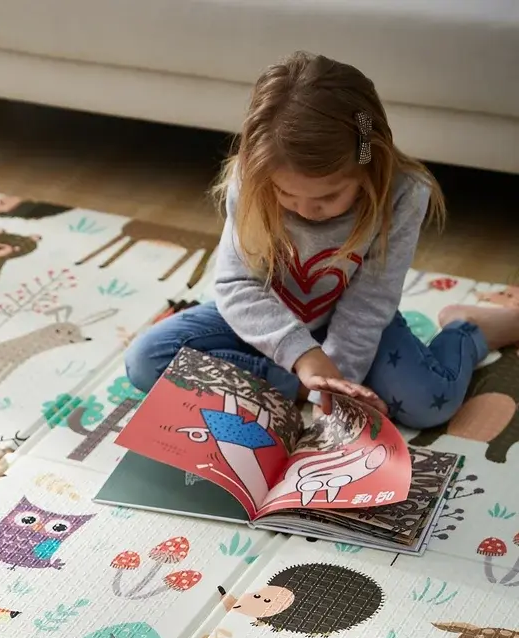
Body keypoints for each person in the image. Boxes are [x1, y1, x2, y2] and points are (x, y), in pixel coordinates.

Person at [125, 51, 519, 429]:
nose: (305, 210)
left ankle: (469, 329)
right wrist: (306, 361)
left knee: (429, 403)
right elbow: (235, 286)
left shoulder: (402, 194)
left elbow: (369, 304)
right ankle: (296, 381)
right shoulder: (253, 179)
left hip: (352, 321)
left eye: (328, 197)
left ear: (368, 163)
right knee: (147, 360)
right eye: (286, 194)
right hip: (266, 315)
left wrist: (333, 384)